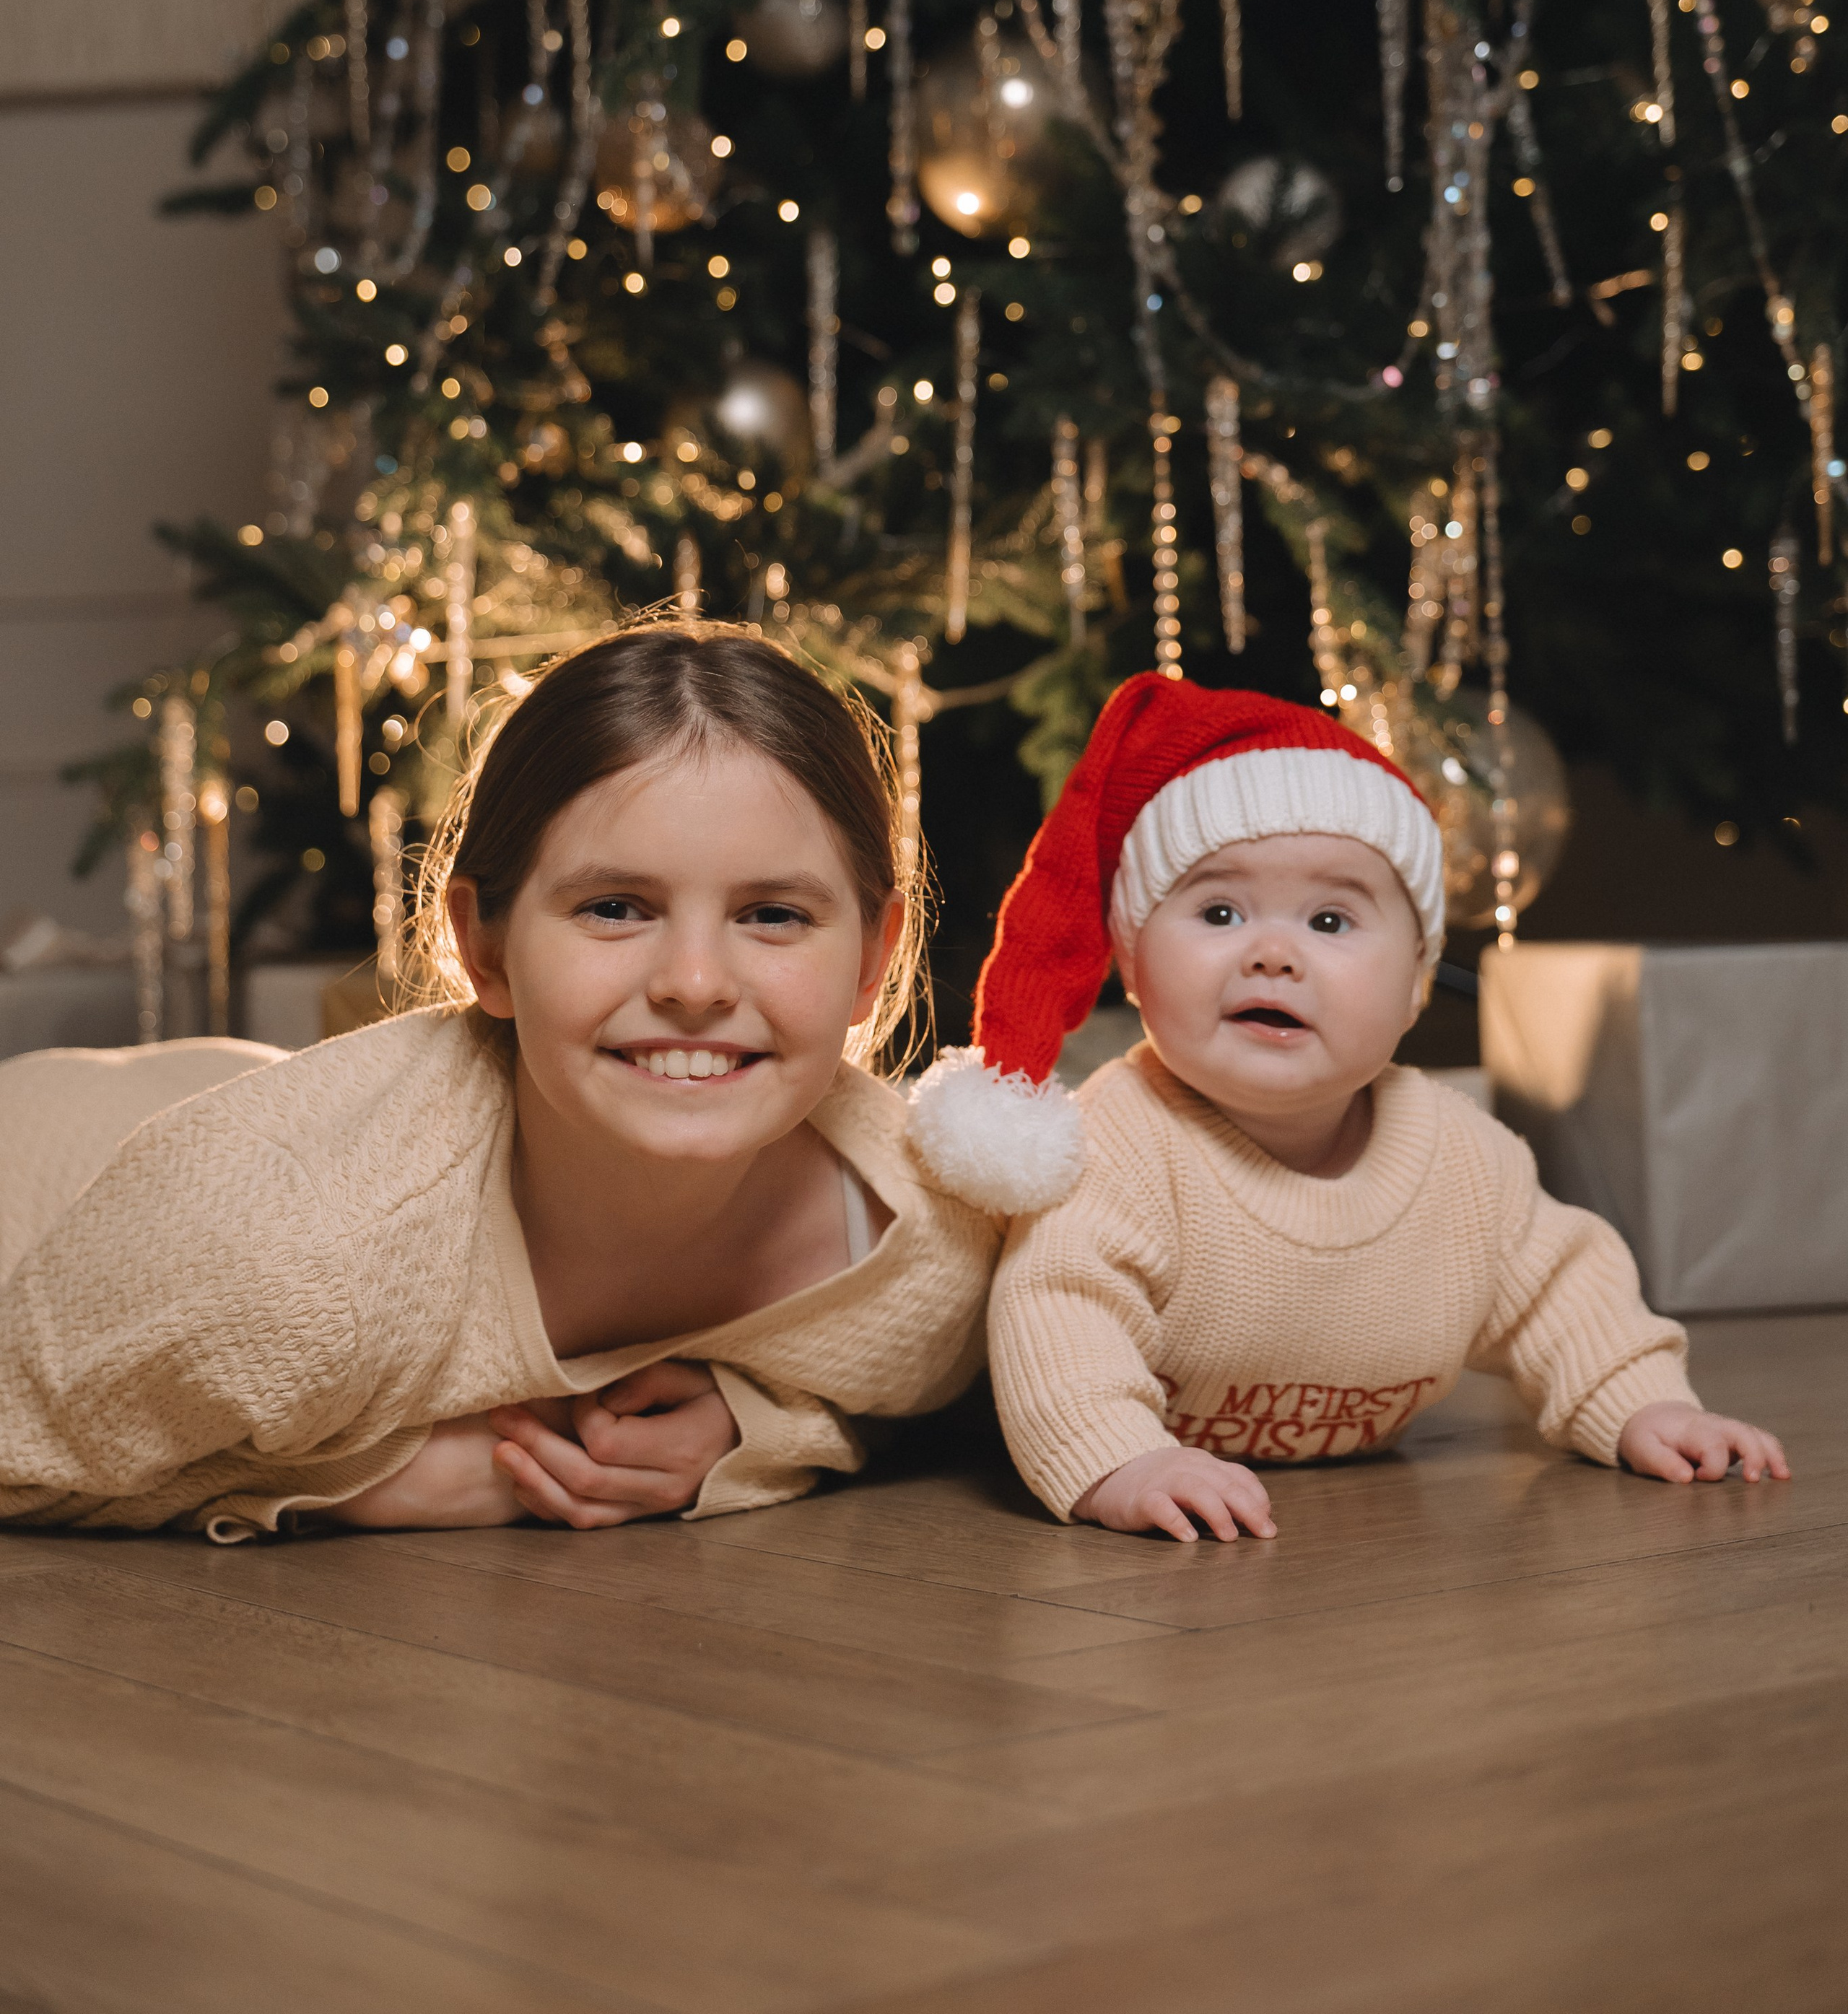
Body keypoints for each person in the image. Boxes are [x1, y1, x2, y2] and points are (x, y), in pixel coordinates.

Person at [0, 627, 999, 1539]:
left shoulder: (933, 1246)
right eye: (615, 907)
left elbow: (936, 1405)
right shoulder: (286, 1269)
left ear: (875, 956)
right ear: (483, 944)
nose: (695, 985)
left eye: (773, 915)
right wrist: (390, 1478)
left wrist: (752, 1429)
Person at [910, 675, 1789, 1544]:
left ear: (1414, 986)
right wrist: (1121, 1462)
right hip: (1173, 1518)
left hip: (1383, 1546)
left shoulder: (1462, 1161)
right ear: (1133, 964)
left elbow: (1563, 1289)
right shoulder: (1121, 1146)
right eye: (1219, 911)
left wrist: (1646, 1406)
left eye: (1331, 922)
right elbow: (1059, 1313)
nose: (1273, 955)